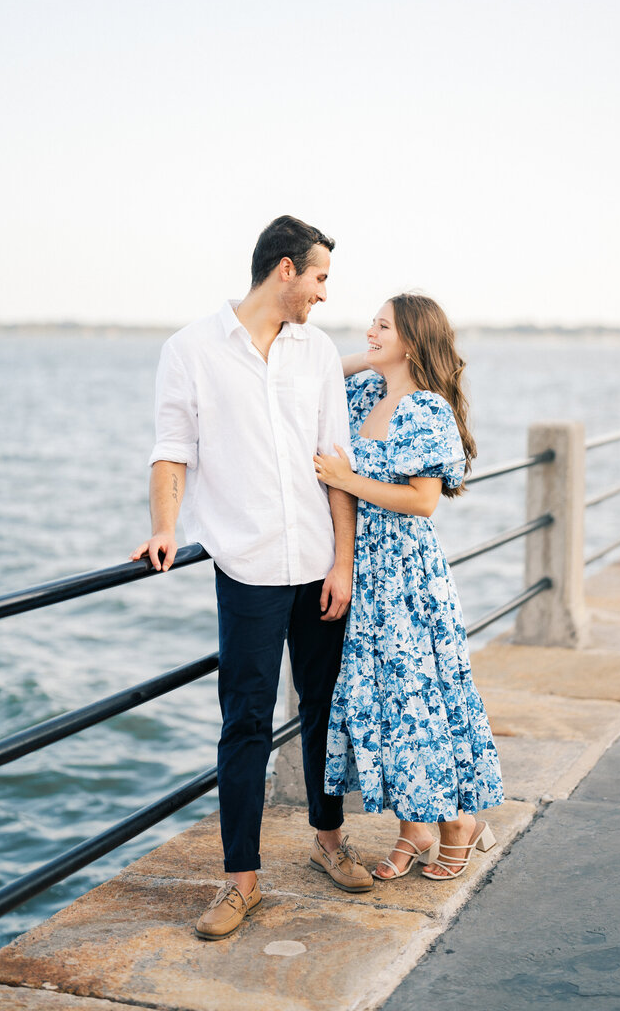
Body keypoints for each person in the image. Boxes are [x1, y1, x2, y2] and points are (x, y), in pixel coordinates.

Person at [131, 216, 373, 942]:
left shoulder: (319, 352)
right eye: (321, 278)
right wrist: (167, 528)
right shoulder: (191, 351)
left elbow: (338, 463)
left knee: (326, 713)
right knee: (245, 724)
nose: (325, 295)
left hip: (318, 569)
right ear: (286, 270)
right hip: (248, 568)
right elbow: (171, 450)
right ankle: (241, 883)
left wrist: (344, 561)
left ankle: (330, 842)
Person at [313, 293, 504, 881]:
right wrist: (371, 356)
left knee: (419, 699)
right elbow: (320, 374)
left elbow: (422, 502)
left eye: (383, 325)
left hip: (406, 577)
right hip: (366, 572)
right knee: (390, 704)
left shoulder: (425, 409)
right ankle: (414, 827)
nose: (369, 330)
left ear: (414, 341)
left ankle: (458, 825)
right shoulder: (369, 393)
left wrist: (348, 478)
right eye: (371, 322)